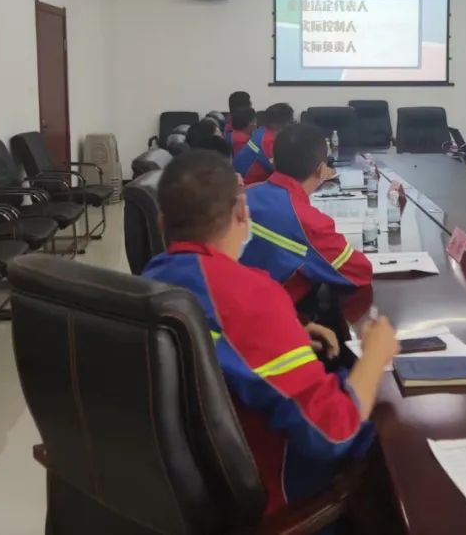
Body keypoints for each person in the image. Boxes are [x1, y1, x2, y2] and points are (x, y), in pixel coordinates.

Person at [141, 151, 398, 514]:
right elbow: (332, 432)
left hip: (185, 485)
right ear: (241, 212)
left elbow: (222, 343)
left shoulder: (152, 277)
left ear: (162, 222)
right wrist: (374, 355)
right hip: (271, 491)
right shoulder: (252, 298)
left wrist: (287, 332)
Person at [242, 123, 373, 304]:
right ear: (321, 170)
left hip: (234, 305)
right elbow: (360, 272)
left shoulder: (244, 195)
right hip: (275, 313)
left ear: (274, 161)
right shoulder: (309, 223)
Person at [234, 102, 294, 185]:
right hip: (247, 183)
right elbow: (278, 169)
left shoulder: (262, 130)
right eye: (290, 121)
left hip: (244, 176)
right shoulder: (267, 141)